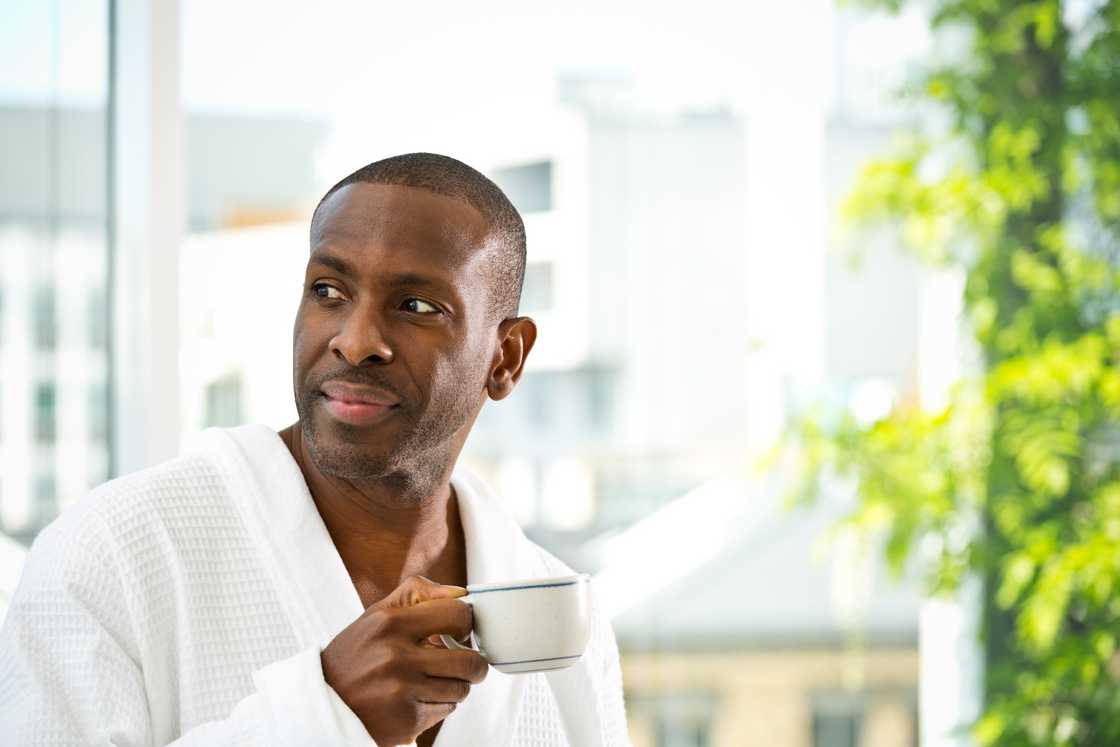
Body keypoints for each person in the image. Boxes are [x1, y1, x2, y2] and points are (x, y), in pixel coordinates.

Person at [0, 153, 630, 746]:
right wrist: (326, 714)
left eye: (415, 306)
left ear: (506, 357)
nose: (355, 342)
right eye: (329, 291)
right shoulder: (110, 554)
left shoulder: (562, 616)